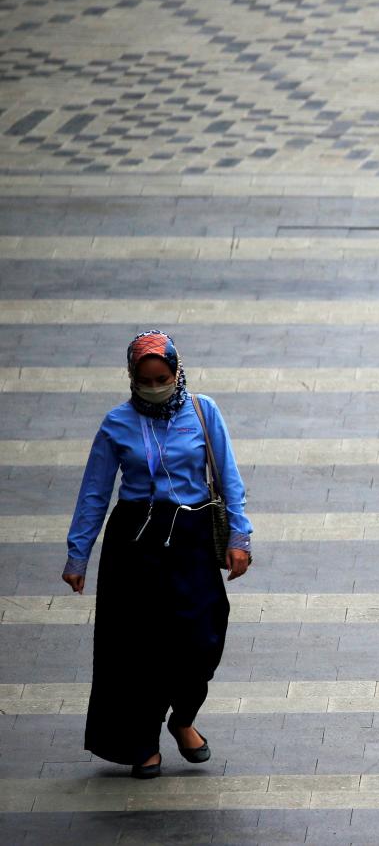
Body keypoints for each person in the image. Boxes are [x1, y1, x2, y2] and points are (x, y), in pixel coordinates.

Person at [62, 330, 252, 778]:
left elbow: (228, 477)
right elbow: (94, 492)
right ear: (132, 378)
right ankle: (142, 742)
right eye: (145, 381)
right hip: (135, 541)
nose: (154, 387)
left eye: (162, 378)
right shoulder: (116, 424)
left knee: (204, 636)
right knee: (136, 649)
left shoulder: (204, 412)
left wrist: (239, 538)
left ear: (176, 372)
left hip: (192, 535)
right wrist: (78, 556)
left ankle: (183, 717)